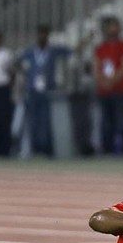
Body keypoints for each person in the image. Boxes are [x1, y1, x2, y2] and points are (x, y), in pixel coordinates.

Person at [16, 25, 92, 156]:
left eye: (44, 34)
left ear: (48, 36)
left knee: (46, 122)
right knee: (33, 122)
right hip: (33, 90)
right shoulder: (30, 51)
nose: (42, 37)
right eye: (40, 34)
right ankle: (35, 149)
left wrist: (86, 39)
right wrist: (24, 74)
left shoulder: (53, 50)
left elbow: (74, 51)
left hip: (47, 91)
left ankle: (47, 149)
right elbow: (17, 61)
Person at [94, 16, 123, 154]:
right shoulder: (100, 48)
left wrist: (112, 81)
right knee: (106, 123)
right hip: (105, 91)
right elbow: (96, 67)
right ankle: (107, 150)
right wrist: (102, 81)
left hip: (121, 90)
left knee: (122, 121)